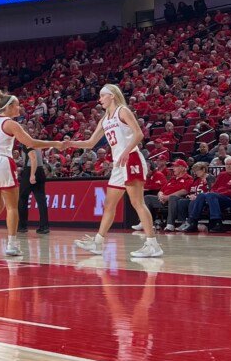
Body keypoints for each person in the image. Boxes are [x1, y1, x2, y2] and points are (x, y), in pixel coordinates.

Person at [70, 84, 163, 259]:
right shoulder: (105, 119)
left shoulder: (123, 111)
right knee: (109, 205)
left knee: (137, 203)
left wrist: (126, 151)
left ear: (112, 95)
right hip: (118, 165)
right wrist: (70, 144)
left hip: (131, 159)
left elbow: (139, 134)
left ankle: (153, 244)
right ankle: (97, 243)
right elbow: (90, 143)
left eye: (102, 96)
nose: (99, 99)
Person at [0, 91, 63, 257]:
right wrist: (55, 142)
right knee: (13, 207)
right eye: (17, 105)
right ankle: (12, 245)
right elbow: (32, 143)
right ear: (10, 107)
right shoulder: (11, 124)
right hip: (2, 162)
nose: (19, 107)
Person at [180, 155, 231, 232]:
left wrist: (217, 193)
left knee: (211, 195)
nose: (228, 166)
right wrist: (214, 193)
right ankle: (193, 221)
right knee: (201, 195)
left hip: (229, 198)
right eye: (226, 164)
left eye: (230, 164)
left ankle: (217, 221)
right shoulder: (222, 174)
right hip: (215, 196)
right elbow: (214, 187)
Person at [17, 142, 50, 235]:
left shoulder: (25, 143)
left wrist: (32, 175)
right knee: (41, 201)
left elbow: (33, 158)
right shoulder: (35, 142)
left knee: (23, 199)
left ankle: (22, 226)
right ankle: (44, 226)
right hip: (40, 170)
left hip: (30, 170)